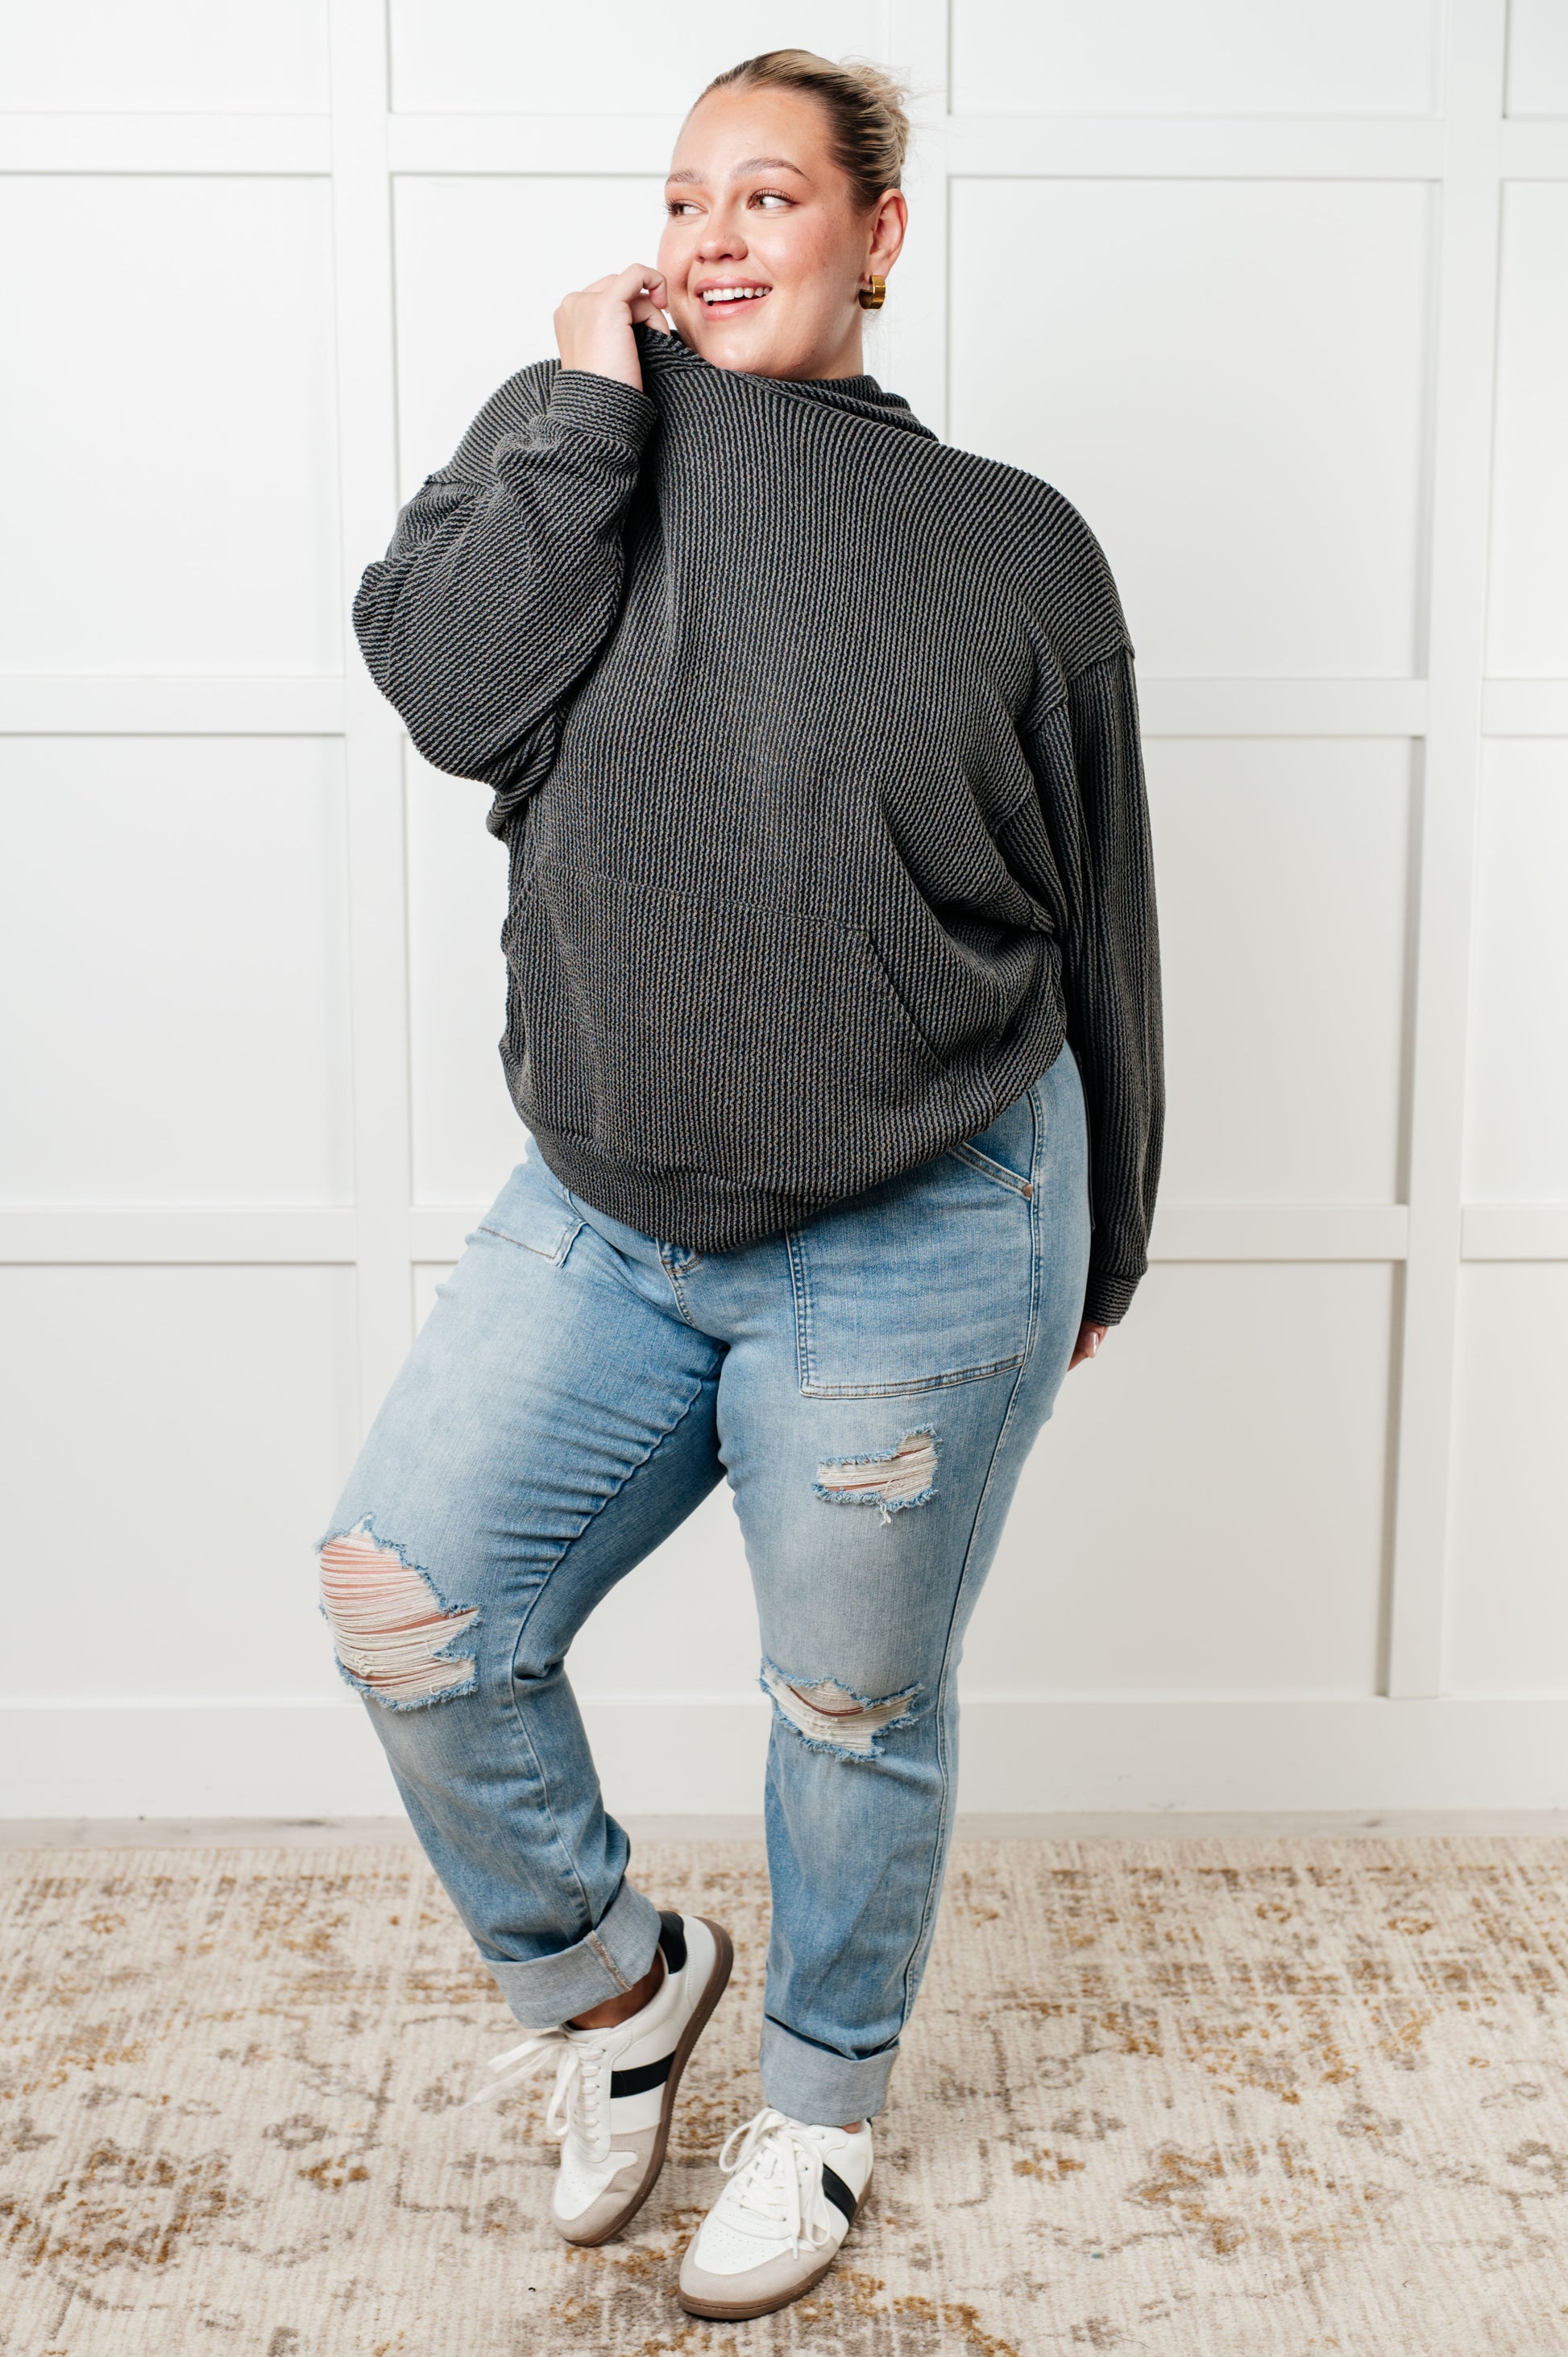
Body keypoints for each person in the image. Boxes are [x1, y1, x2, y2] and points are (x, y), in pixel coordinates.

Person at [322, 46, 1164, 2324]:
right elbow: (441, 683)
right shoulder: (575, 440)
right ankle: (618, 1991)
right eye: (683, 196)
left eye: (767, 195)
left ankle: (818, 2107)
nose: (710, 234)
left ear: (877, 238)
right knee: (411, 1608)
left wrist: (1121, 1219)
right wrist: (582, 410)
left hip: (926, 1222)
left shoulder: (1011, 541)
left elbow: (1100, 902)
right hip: (602, 1205)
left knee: (849, 1711)